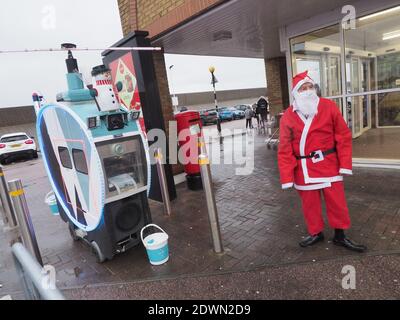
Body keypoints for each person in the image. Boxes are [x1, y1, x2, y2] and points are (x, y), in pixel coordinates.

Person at [278, 70, 366, 252]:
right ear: (296, 93)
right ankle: (316, 232)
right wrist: (287, 176)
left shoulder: (329, 106)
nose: (309, 91)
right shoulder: (288, 115)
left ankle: (340, 235)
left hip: (329, 164)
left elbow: (343, 136)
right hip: (303, 169)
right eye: (304, 88)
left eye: (311, 87)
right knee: (310, 205)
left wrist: (344, 164)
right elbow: (285, 148)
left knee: (337, 202)